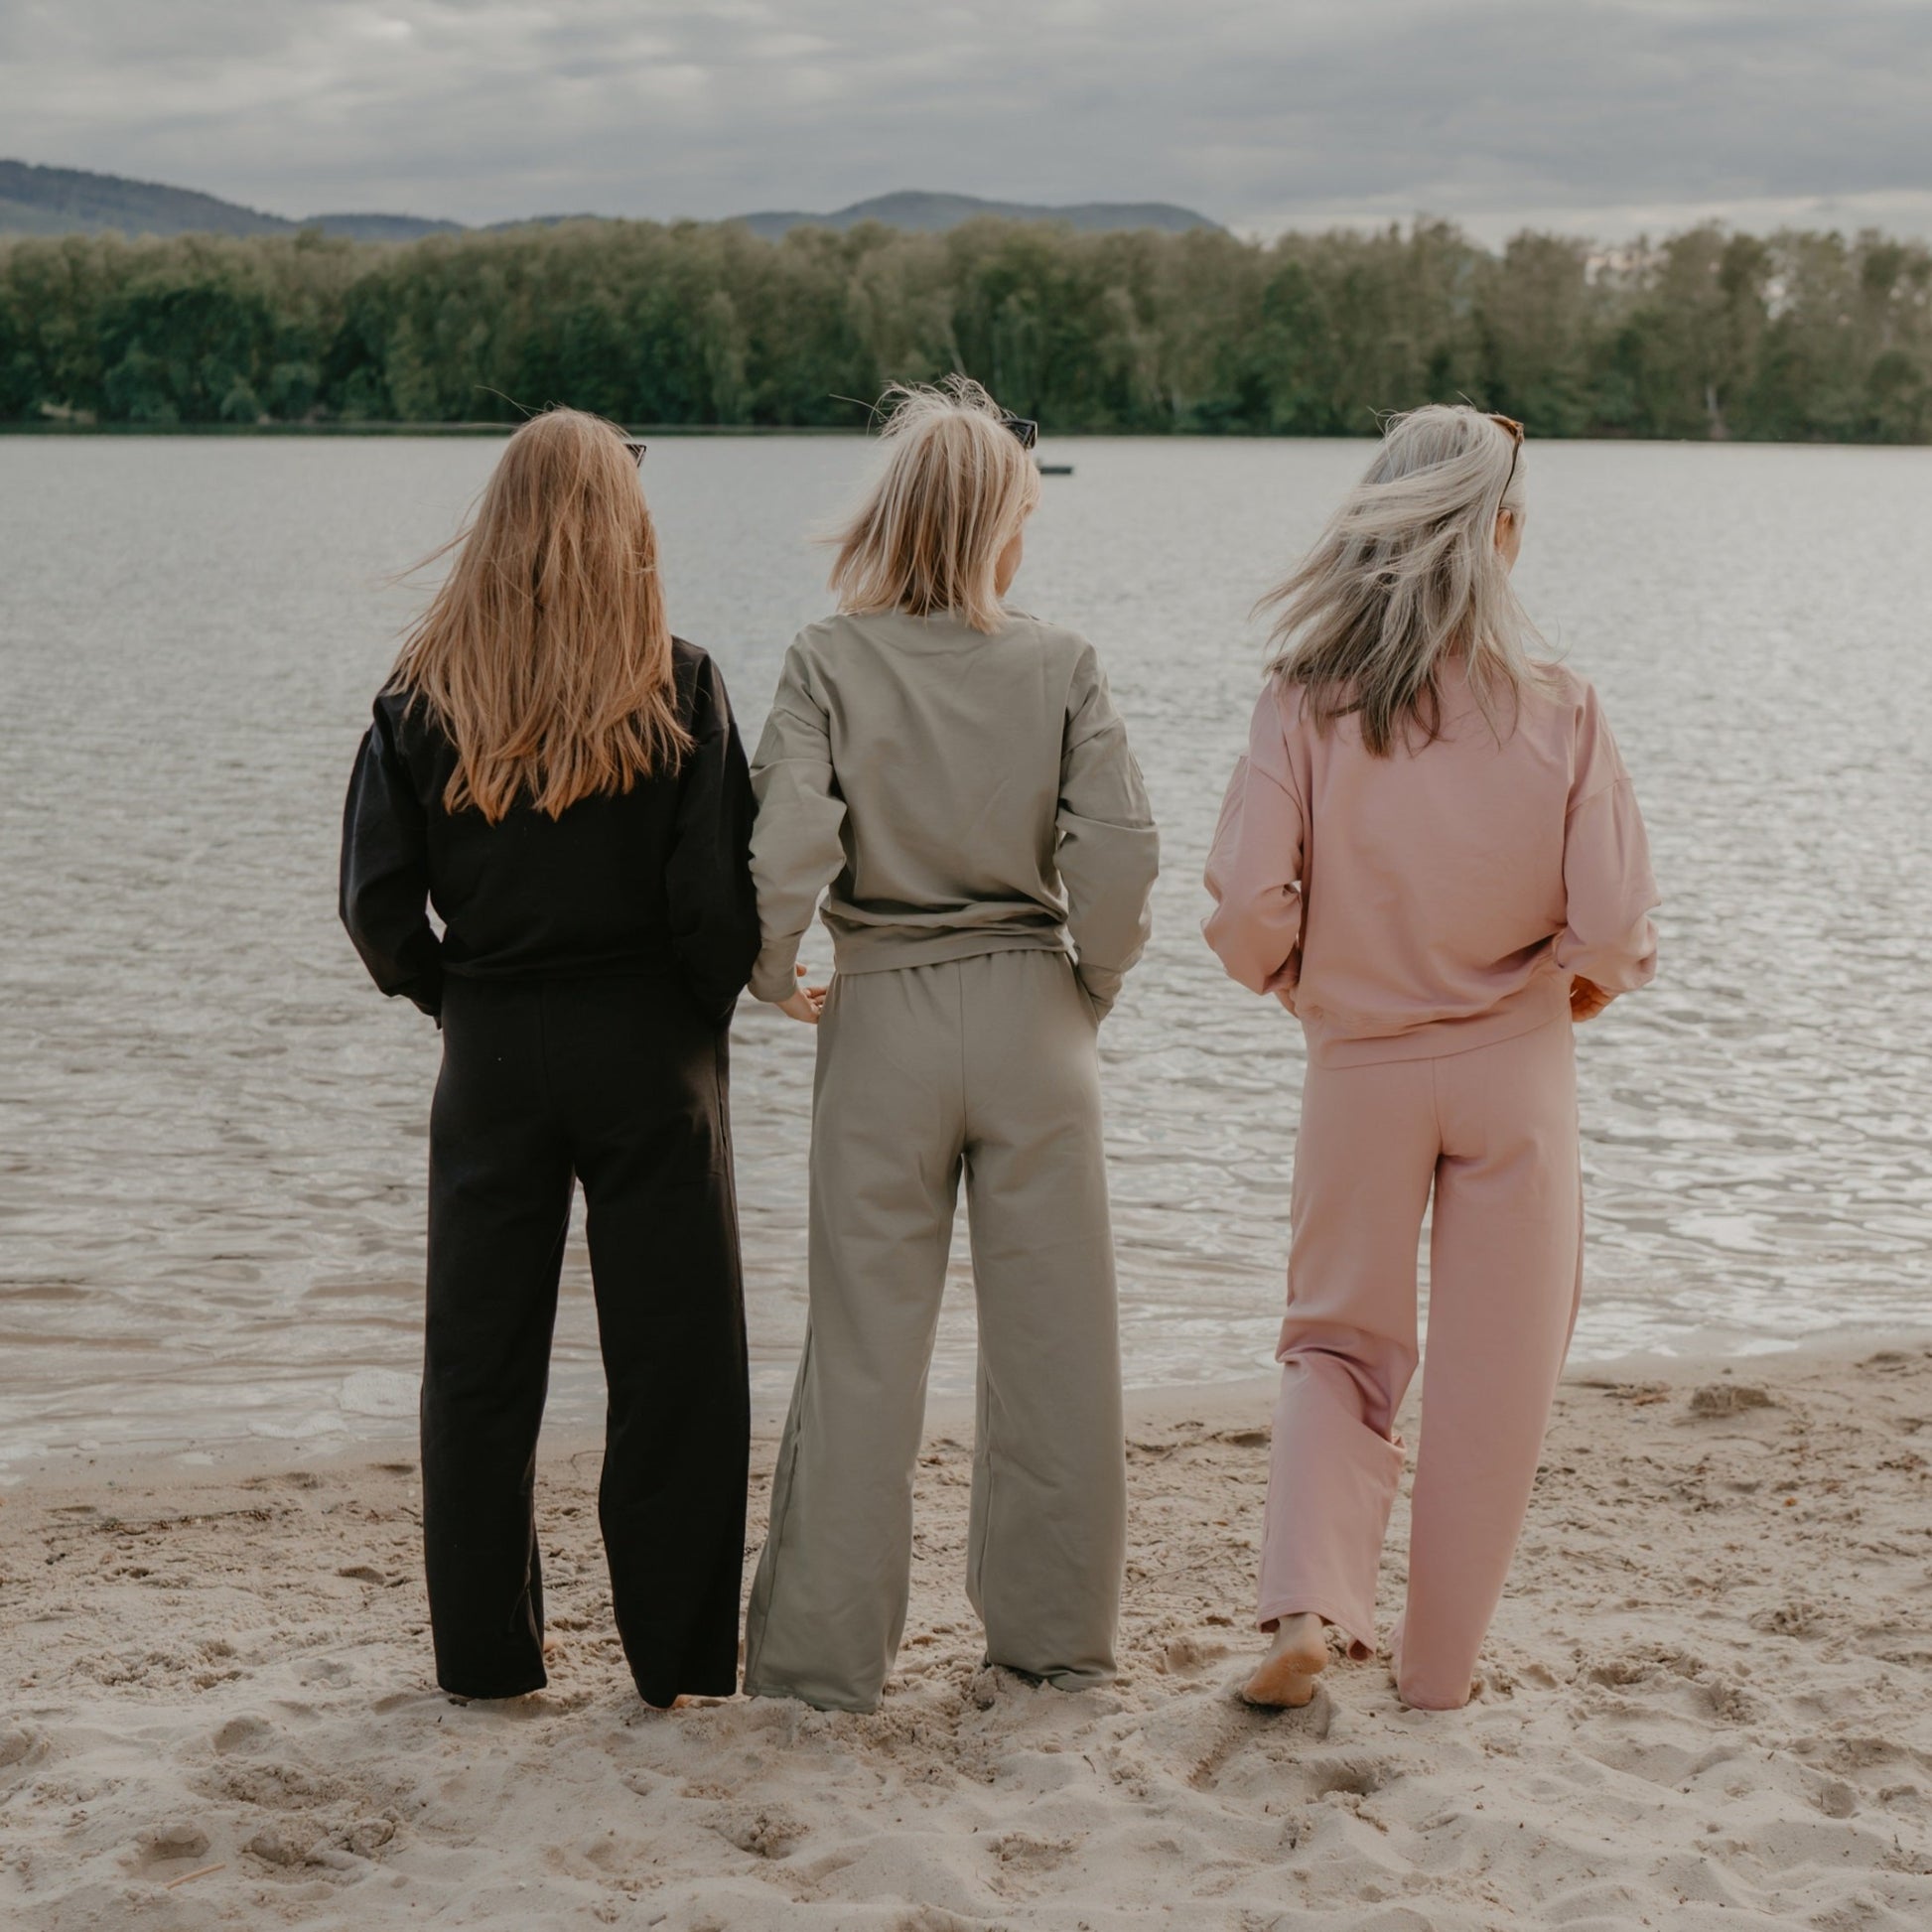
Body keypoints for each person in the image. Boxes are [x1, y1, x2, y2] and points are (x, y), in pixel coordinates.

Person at [1202, 404, 1658, 1712]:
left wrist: (1299, 982)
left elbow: (1246, 906)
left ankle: (1306, 1607)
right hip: (1516, 1069)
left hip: (1360, 1064)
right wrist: (1572, 987)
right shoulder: (1561, 706)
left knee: (1334, 1344)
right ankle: (1436, 1676)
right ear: (1500, 534)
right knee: (1495, 1370)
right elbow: (1616, 922)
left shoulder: (1302, 698)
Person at [740, 377, 1160, 1713]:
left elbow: (786, 843)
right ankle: (1054, 1649)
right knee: (1056, 1354)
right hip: (1036, 1018)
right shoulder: (1062, 662)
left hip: (883, 1020)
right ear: (998, 527)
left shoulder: (825, 658)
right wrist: (1090, 986)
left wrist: (772, 968)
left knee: (864, 1351)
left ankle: (818, 1667)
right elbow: (1119, 856)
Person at [339, 408, 759, 1709]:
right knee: (677, 1366)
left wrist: (457, 999)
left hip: (491, 1050)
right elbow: (716, 910)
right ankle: (679, 1667)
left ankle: (486, 1663)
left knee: (478, 1365)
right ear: (624, 525)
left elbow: (376, 906)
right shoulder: (679, 683)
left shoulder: (422, 698)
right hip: (650, 1045)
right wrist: (688, 1020)